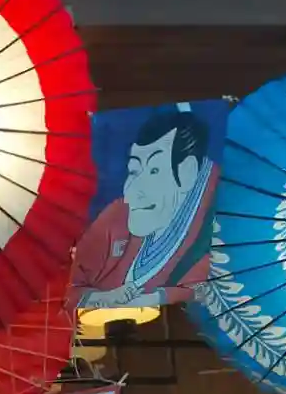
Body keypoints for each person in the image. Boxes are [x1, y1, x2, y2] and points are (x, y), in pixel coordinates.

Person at [71, 106, 220, 312]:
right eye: (133, 171)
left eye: (154, 170)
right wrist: (102, 298)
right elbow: (71, 286)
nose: (132, 191)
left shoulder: (209, 227)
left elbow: (204, 287)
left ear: (187, 172)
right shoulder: (118, 215)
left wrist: (157, 297)